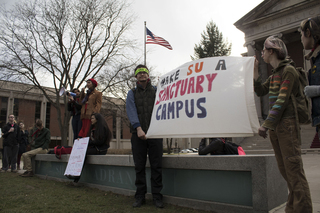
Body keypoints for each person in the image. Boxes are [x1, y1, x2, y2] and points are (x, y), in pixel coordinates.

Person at [254, 36, 312, 213]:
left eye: (263, 50)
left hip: (287, 125)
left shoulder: (288, 71)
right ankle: (292, 208)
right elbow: (261, 91)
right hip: (277, 128)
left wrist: (265, 124)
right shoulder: (274, 75)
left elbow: (281, 100)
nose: (262, 53)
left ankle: (302, 209)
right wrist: (255, 72)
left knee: (294, 172)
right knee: (287, 173)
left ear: (272, 51)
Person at [126, 65, 164, 208]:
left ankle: (157, 196)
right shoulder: (132, 93)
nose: (142, 74)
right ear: (136, 77)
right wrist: (139, 128)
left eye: (144, 72)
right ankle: (140, 196)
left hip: (155, 134)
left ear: (148, 75)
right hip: (138, 135)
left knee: (156, 166)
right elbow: (131, 111)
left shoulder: (156, 90)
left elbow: (164, 104)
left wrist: (164, 85)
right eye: (139, 73)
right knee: (139, 167)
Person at [300, 16, 320, 129]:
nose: (301, 39)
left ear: (308, 33)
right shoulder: (315, 59)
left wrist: (317, 90)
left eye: (301, 35)